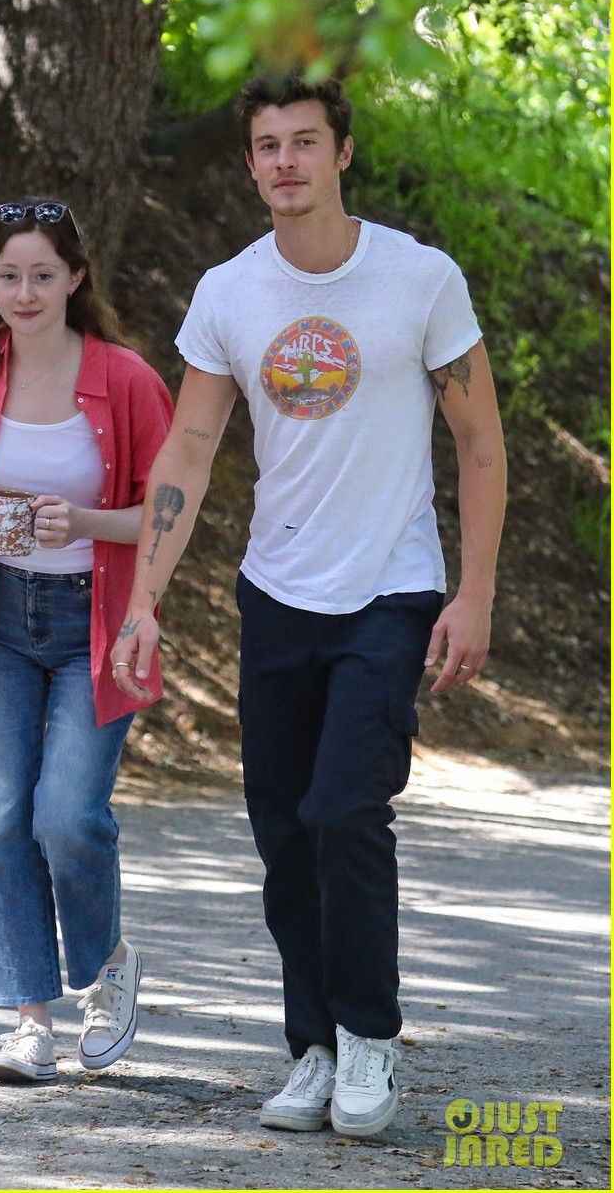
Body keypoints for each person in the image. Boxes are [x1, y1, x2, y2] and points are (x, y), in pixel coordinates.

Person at [111, 76, 506, 1135]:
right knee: (284, 833)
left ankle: (370, 1040)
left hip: (391, 588)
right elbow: (189, 446)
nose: (283, 161)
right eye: (265, 146)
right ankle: (313, 1048)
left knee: (343, 813)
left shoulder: (419, 279)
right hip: (276, 591)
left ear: (341, 153)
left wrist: (471, 594)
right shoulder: (229, 292)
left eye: (303, 142)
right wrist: (144, 598)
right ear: (249, 164)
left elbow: (477, 441)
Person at [0, 196, 173, 1083]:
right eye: (7, 275)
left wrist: (86, 521)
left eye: (41, 275)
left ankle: (106, 969)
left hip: (90, 622)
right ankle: (29, 1020)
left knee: (66, 817)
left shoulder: (126, 380)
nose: (23, 292)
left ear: (74, 280)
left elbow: (163, 513)